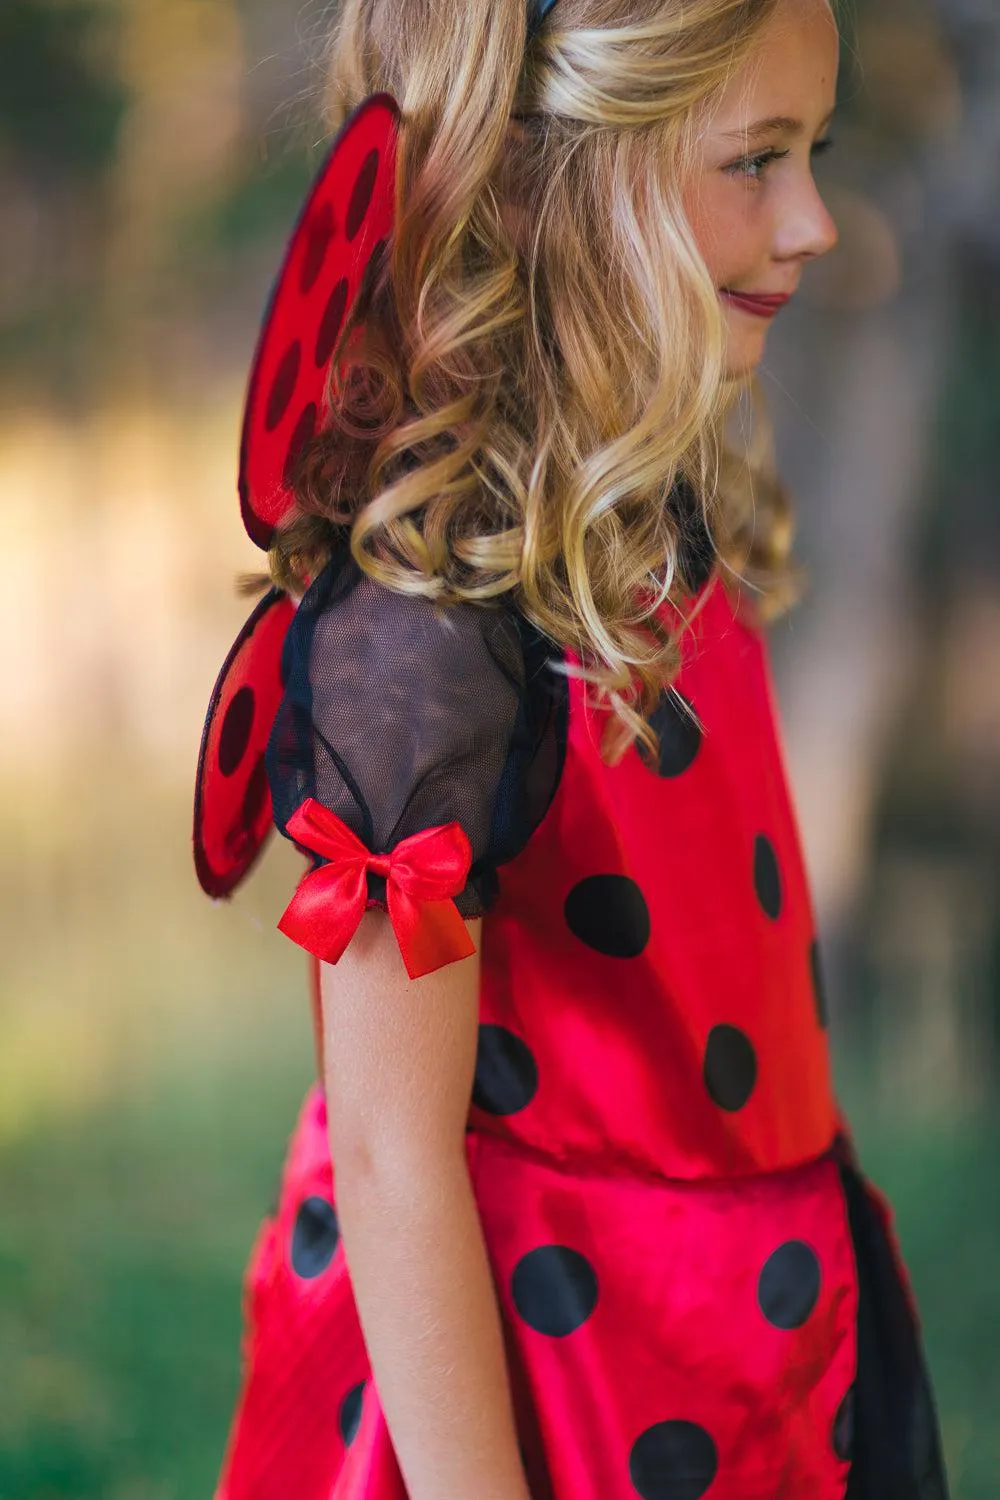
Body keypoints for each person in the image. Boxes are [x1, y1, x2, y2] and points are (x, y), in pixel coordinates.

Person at [213, 0, 951, 1497]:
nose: (812, 220)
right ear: (553, 187)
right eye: (755, 161)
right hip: (557, 1392)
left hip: (749, 1346)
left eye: (815, 152)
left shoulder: (652, 524)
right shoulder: (428, 631)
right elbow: (391, 1165)